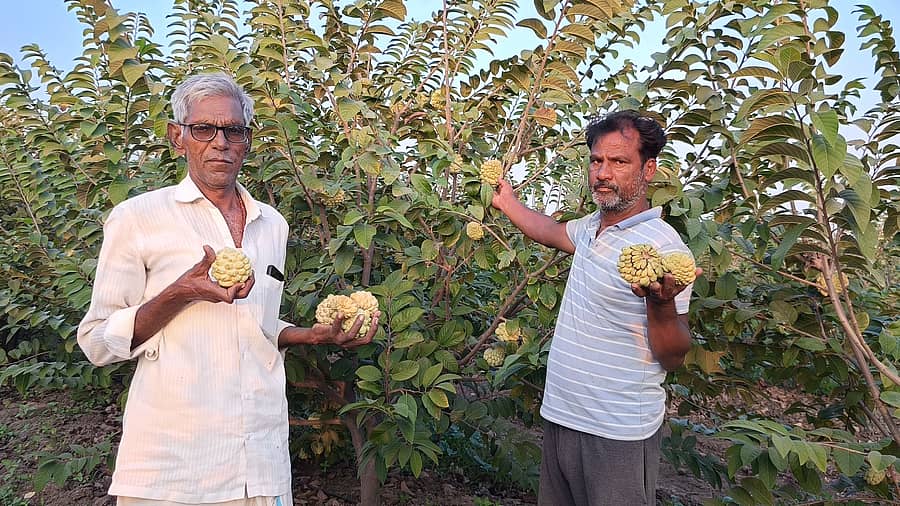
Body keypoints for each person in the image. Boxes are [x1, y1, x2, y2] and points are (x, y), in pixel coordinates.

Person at [77, 72, 378, 506]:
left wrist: (311, 335)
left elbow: (256, 325)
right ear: (177, 137)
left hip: (261, 461)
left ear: (247, 140)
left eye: (233, 130)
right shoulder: (137, 218)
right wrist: (180, 292)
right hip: (173, 468)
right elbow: (96, 342)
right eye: (204, 129)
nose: (220, 142)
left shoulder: (272, 223)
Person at [491, 110, 701, 505]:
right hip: (561, 416)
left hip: (617, 430)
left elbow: (673, 355)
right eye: (596, 160)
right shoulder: (591, 227)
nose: (603, 173)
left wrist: (662, 305)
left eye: (619, 162)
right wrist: (508, 203)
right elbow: (550, 232)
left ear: (649, 169)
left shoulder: (665, 248)